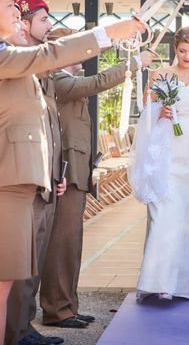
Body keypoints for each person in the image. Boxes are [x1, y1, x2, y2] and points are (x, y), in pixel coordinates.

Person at [0, 0, 145, 345]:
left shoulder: (1, 55)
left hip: (9, 184)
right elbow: (48, 55)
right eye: (10, 8)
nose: (18, 16)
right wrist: (108, 33)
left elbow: (36, 122)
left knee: (0, 290)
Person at [40, 28, 153, 327]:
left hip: (76, 172)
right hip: (65, 173)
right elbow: (97, 83)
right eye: (77, 48)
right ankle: (57, 309)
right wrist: (134, 63)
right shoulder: (57, 78)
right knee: (61, 245)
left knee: (72, 243)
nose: (84, 55)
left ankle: (67, 306)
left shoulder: (63, 79)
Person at [129, 26, 189, 300]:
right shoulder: (160, 75)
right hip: (168, 150)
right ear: (175, 48)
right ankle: (162, 282)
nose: (187, 56)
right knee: (166, 212)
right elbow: (146, 114)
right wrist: (161, 111)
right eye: (182, 51)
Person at [5, 0, 67, 345]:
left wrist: (56, 173)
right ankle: (13, 331)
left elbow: (48, 132)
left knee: (35, 264)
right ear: (24, 23)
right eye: (44, 19)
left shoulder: (40, 71)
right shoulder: (18, 65)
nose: (49, 25)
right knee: (20, 265)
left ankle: (24, 327)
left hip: (45, 182)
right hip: (25, 183)